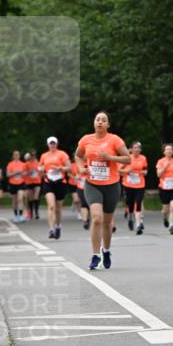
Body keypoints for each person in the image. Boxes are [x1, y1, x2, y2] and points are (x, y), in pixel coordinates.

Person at [74, 112, 130, 270]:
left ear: (108, 125)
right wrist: (80, 167)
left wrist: (110, 158)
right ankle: (95, 255)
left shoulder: (114, 140)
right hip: (93, 184)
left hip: (111, 185)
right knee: (97, 219)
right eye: (97, 119)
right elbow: (78, 156)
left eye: (103, 120)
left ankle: (106, 250)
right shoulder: (86, 139)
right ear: (94, 122)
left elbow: (128, 159)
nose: (100, 122)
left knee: (107, 222)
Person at [39, 137, 70, 240]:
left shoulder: (62, 154)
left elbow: (69, 167)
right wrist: (41, 169)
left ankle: (58, 226)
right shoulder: (44, 156)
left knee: (58, 209)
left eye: (54, 143)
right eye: (50, 143)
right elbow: (40, 168)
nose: (52, 145)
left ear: (56, 144)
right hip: (49, 182)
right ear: (48, 144)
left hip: (60, 182)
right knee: (51, 206)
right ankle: (51, 229)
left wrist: (59, 168)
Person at [122, 141, 148, 234]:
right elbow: (119, 170)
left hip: (140, 184)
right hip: (128, 184)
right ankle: (130, 217)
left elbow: (145, 170)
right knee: (130, 204)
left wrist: (144, 172)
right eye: (135, 147)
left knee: (139, 203)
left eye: (138, 148)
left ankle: (138, 224)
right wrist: (127, 170)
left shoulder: (143, 158)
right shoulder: (127, 158)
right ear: (131, 149)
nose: (137, 149)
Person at [156, 143, 173, 234]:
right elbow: (158, 175)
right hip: (163, 188)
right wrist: (165, 167)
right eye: (167, 149)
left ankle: (171, 225)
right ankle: (165, 218)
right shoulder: (160, 161)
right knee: (165, 210)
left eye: (171, 149)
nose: (169, 151)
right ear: (164, 152)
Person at [6, 150, 25, 221]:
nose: (17, 156)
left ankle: (21, 215)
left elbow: (25, 174)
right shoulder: (10, 164)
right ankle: (15, 215)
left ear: (19, 156)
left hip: (21, 183)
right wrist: (16, 173)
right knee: (14, 200)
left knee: (20, 199)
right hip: (13, 183)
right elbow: (8, 175)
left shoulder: (23, 164)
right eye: (15, 155)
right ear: (13, 156)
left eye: (18, 154)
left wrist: (22, 173)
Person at [23, 150, 41, 220]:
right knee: (30, 198)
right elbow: (23, 174)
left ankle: (36, 212)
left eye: (34, 155)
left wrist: (40, 171)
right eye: (32, 155)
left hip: (37, 182)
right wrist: (29, 172)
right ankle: (31, 212)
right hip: (29, 182)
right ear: (30, 156)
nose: (33, 157)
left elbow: (41, 172)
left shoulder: (38, 163)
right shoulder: (26, 164)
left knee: (36, 197)